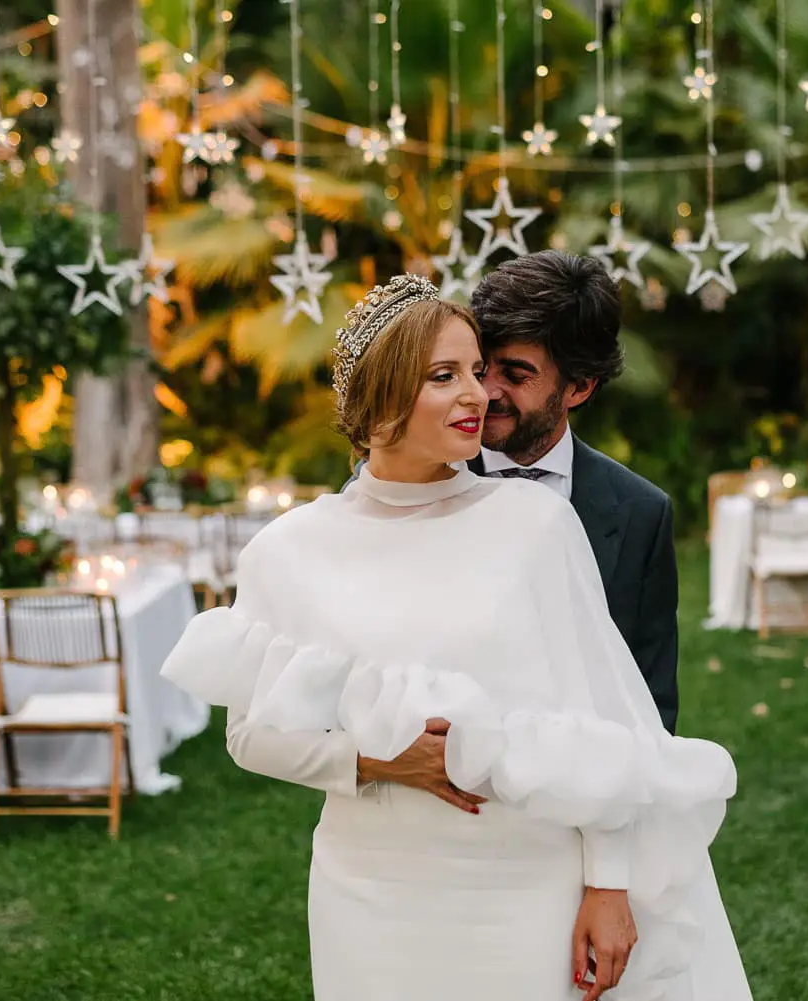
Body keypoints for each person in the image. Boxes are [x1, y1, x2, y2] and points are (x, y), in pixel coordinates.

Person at [161, 275, 752, 1001]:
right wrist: (375, 759)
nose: (478, 394)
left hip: (528, 882)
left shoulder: (534, 524)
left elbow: (604, 723)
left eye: (479, 370)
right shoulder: (290, 550)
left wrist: (608, 882)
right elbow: (248, 737)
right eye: (447, 375)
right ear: (380, 394)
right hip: (372, 887)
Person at [469, 252, 680, 734]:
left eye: (516, 375)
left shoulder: (641, 514)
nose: (487, 392)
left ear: (579, 388)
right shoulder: (418, 480)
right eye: (481, 368)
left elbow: (651, 698)